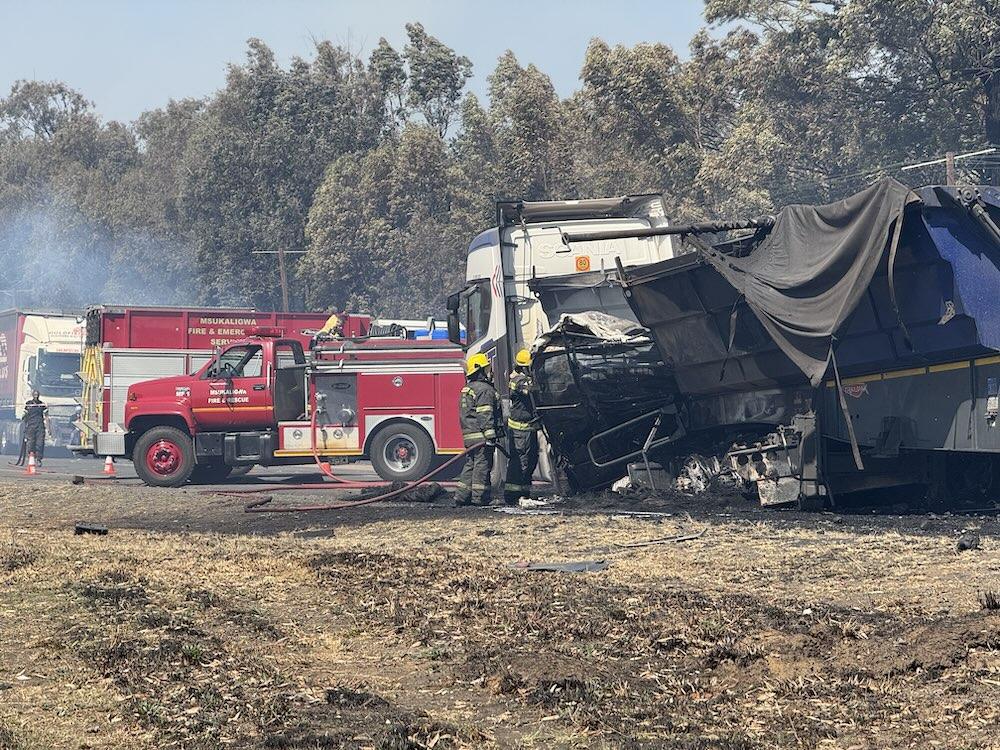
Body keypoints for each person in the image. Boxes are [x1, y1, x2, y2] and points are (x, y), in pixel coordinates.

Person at [455, 353, 500, 507]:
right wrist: (490, 435)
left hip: (469, 435)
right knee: (482, 465)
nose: (489, 371)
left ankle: (462, 496)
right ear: (479, 370)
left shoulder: (468, 388)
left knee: (470, 464)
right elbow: (485, 414)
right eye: (486, 368)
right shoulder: (484, 389)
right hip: (481, 436)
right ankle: (480, 498)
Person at [504, 349, 540, 504]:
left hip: (528, 428)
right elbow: (531, 390)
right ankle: (512, 495)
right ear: (525, 367)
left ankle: (524, 493)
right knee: (520, 462)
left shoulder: (523, 378)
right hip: (520, 430)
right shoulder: (518, 380)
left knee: (531, 460)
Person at [22, 390, 50, 466]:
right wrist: (24, 423)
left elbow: (47, 416)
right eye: (35, 394)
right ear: (32, 395)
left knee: (40, 443)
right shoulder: (29, 404)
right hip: (31, 426)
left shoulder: (42, 404)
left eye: (37, 394)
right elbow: (24, 416)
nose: (36, 396)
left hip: (40, 426)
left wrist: (49, 428)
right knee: (31, 443)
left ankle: (39, 459)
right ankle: (31, 457)